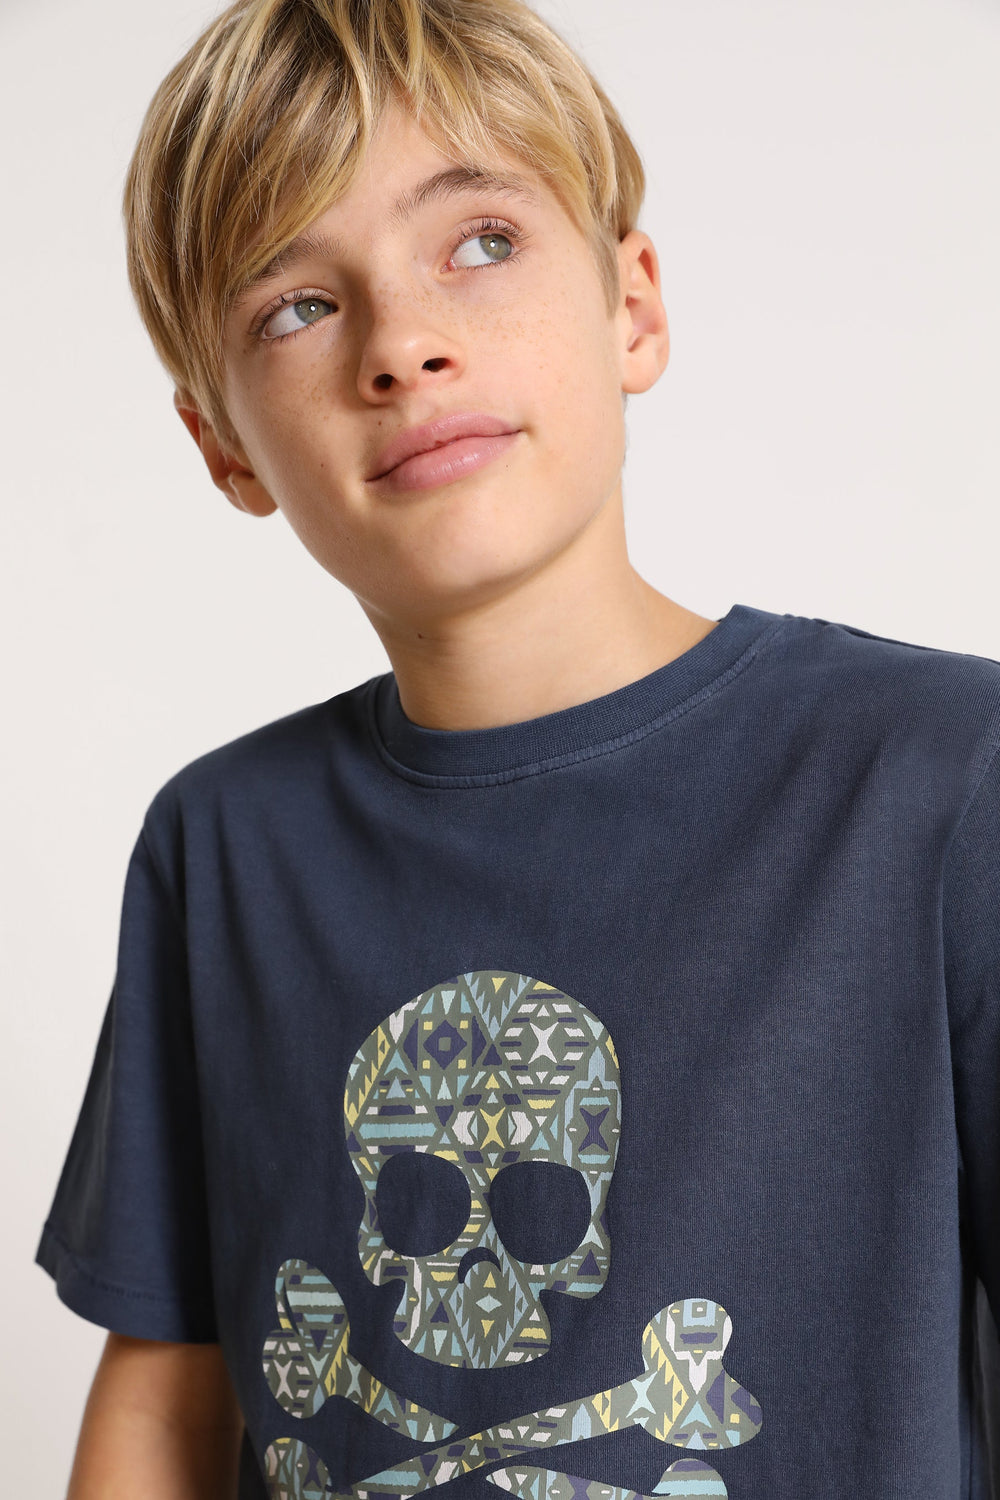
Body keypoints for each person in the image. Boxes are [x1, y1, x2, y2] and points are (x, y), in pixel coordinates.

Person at [35, 0, 1000, 1496]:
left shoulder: (947, 782)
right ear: (222, 445)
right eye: (297, 306)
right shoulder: (220, 850)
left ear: (634, 308)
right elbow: (164, 1408)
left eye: (480, 242)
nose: (403, 346)